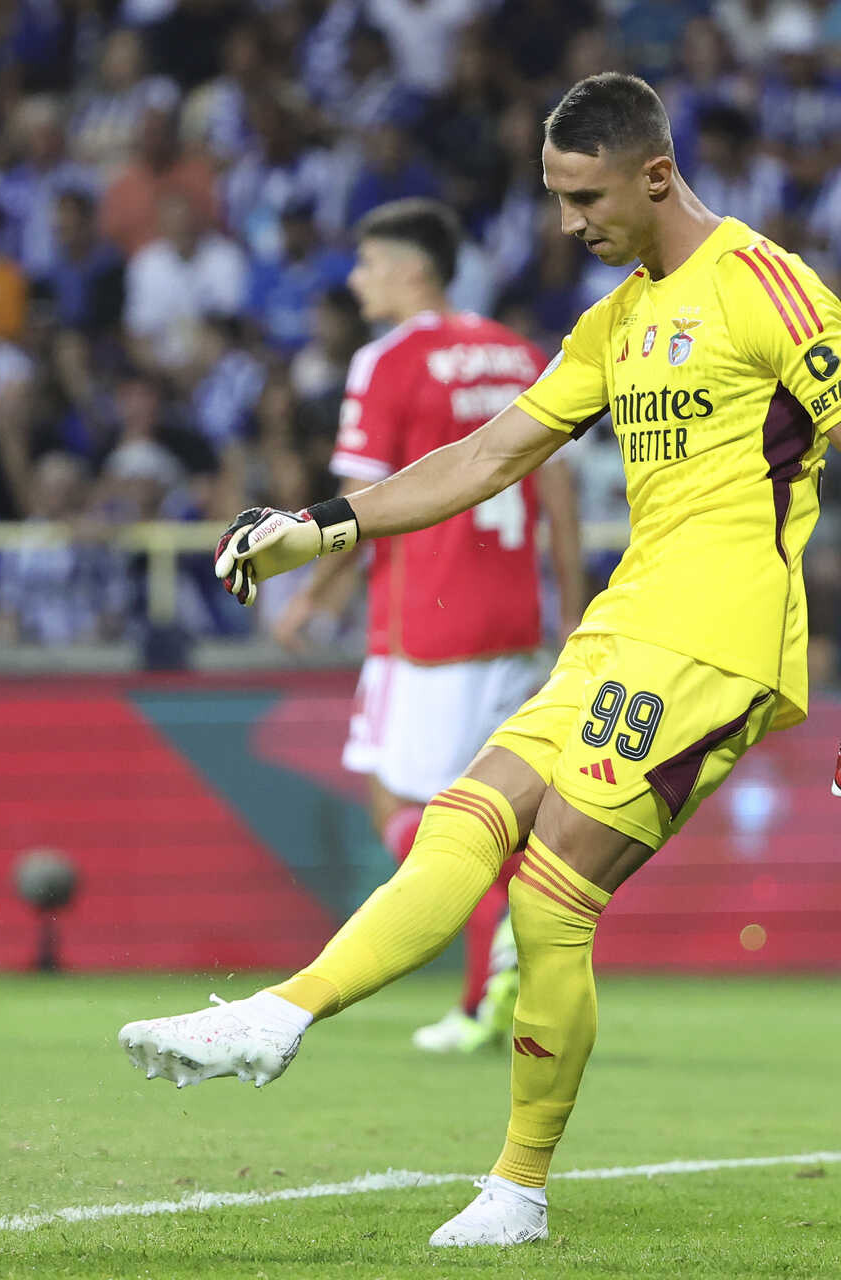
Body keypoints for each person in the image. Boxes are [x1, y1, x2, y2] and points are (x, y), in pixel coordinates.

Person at [118, 72, 841, 1248]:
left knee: (555, 890)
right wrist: (322, 523)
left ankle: (513, 1182)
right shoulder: (618, 320)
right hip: (622, 623)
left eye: (585, 195)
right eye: (555, 197)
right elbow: (491, 451)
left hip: (719, 638)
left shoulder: (762, 284)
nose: (567, 223)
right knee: (469, 815)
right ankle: (284, 1016)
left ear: (656, 173)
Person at [270, 197, 586, 1055]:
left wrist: (313, 594)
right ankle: (510, 960)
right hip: (517, 618)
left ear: (413, 270)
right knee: (487, 808)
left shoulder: (388, 360)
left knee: (414, 810)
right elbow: (559, 495)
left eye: (369, 264)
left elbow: (360, 506)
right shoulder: (519, 353)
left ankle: (495, 980)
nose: (357, 280)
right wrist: (573, 612)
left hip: (428, 622)